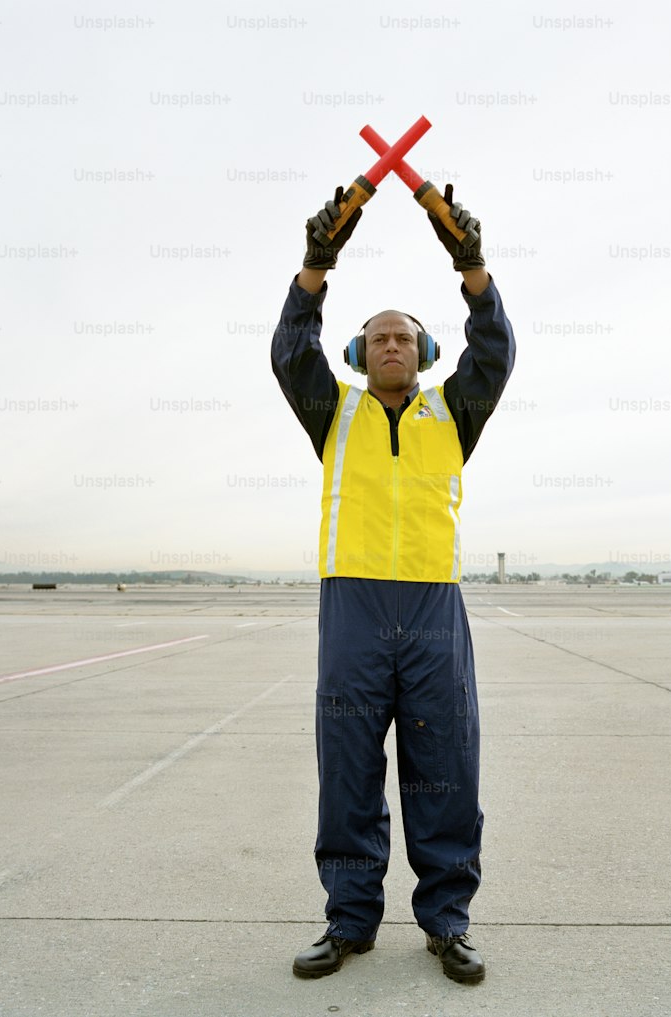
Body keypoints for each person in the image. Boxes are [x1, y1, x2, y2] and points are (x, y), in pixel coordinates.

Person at [271, 182, 515, 984]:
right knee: (347, 762)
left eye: (404, 336)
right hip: (353, 606)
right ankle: (349, 920)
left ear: (425, 353)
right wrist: (316, 264)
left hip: (433, 607)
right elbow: (287, 349)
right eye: (377, 336)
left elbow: (498, 350)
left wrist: (470, 266)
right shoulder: (331, 413)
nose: (389, 343)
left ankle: (447, 920)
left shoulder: (456, 411)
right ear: (357, 354)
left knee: (445, 762)